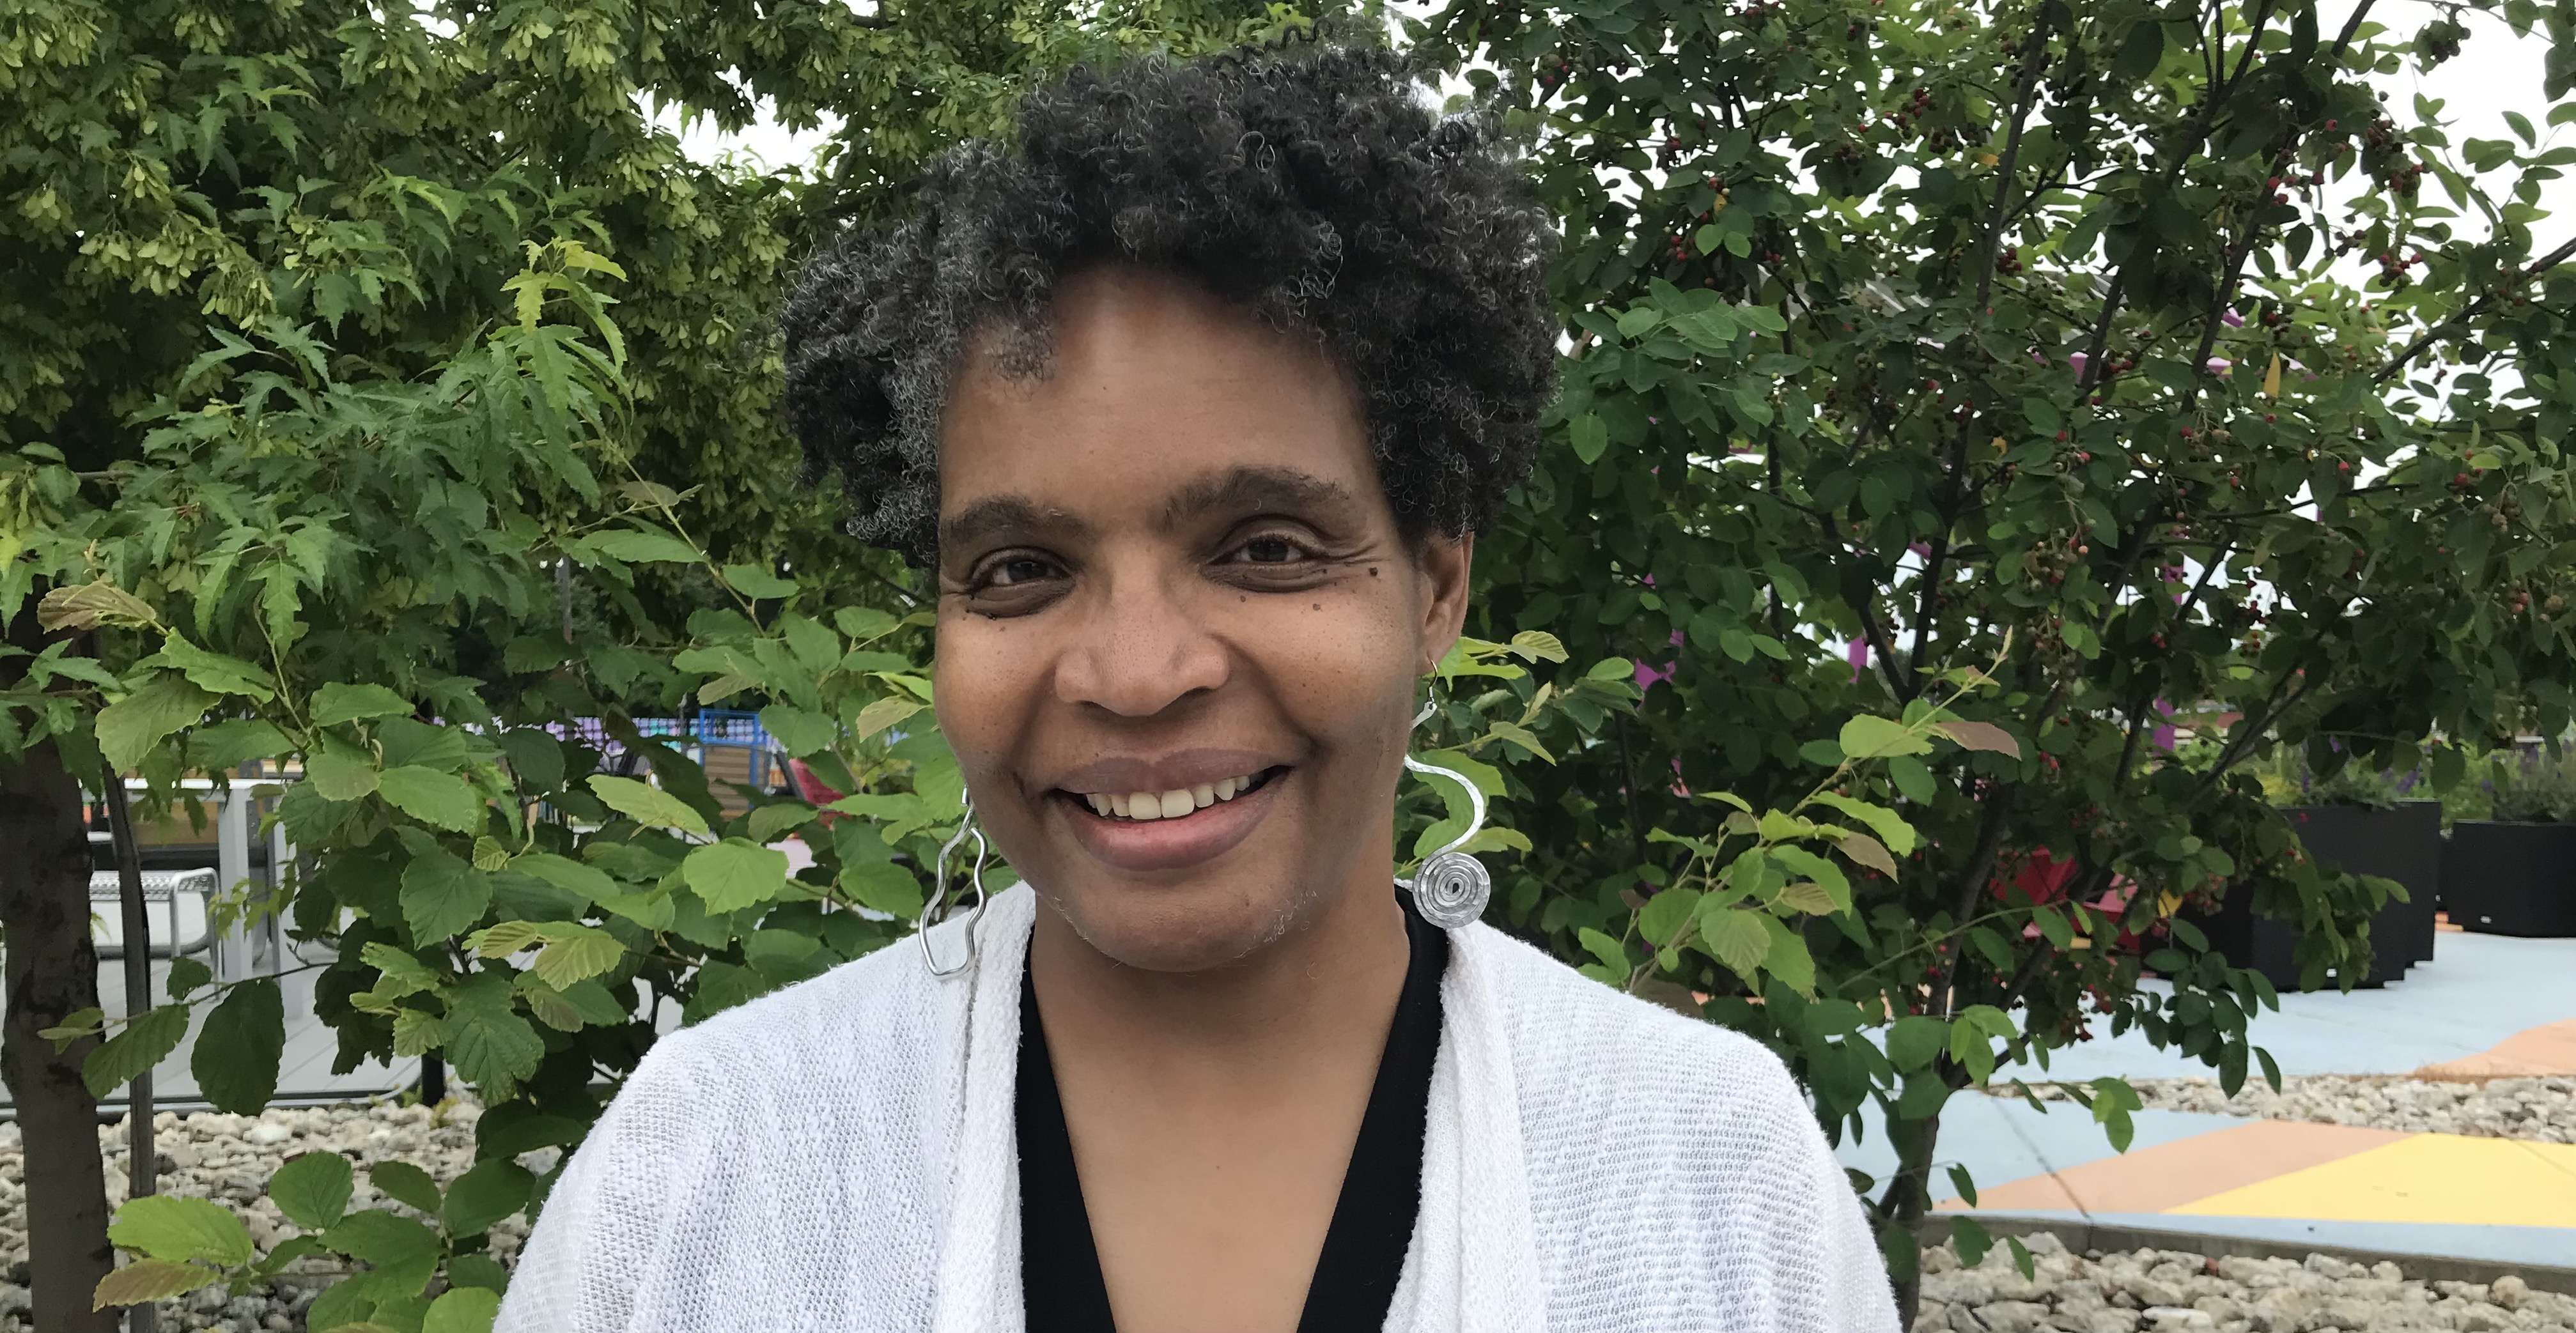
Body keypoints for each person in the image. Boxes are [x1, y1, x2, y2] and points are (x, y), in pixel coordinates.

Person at [496, 43, 1899, 1333]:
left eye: (1265, 547)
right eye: (1018, 569)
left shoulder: (1715, 1177)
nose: (1134, 673)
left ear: (1434, 587)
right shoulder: (701, 1171)